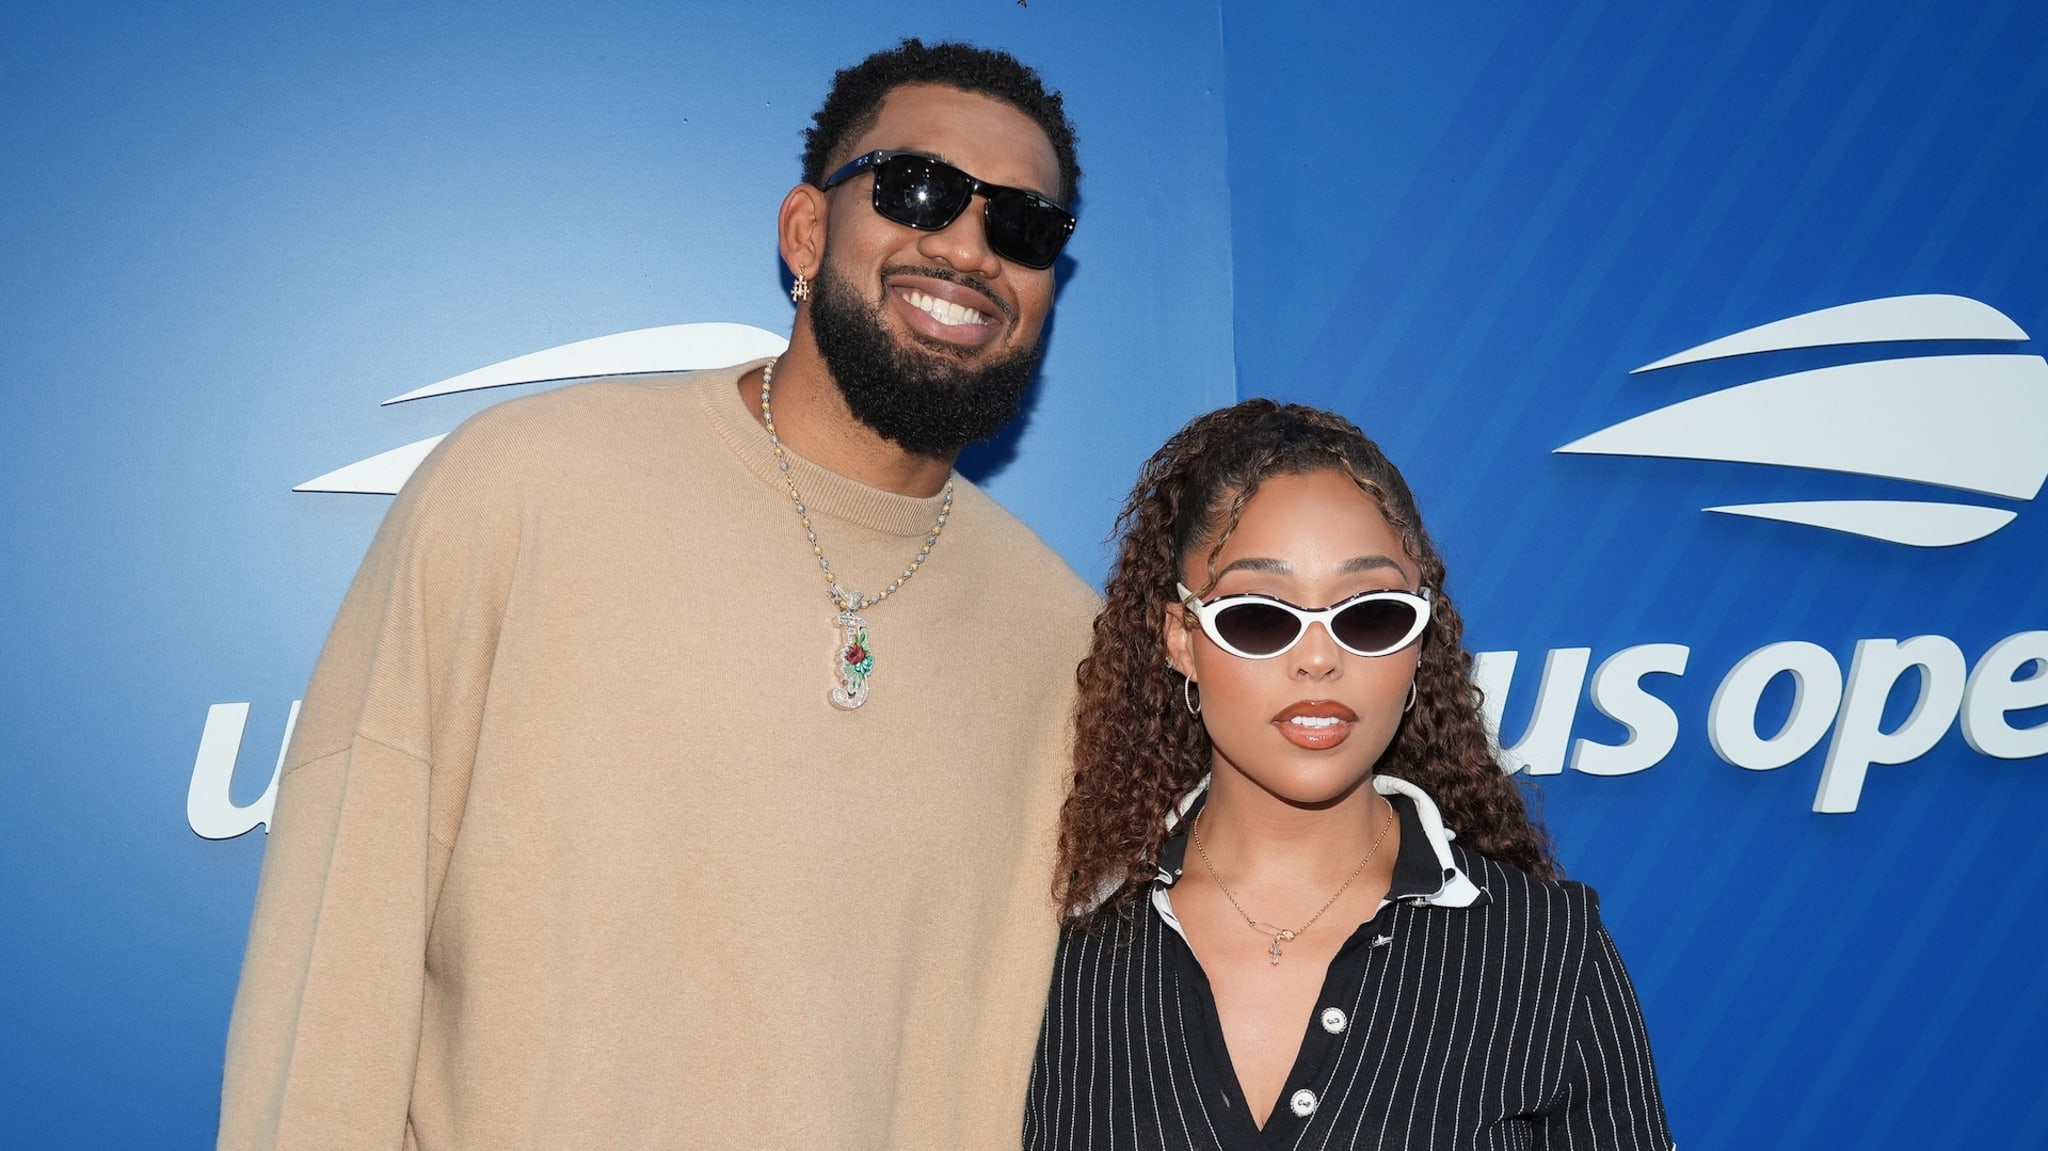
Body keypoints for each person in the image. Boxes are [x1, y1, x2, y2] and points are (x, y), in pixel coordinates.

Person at [219, 40, 1100, 1150]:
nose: (968, 244)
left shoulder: (1065, 640)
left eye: (1023, 226)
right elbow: (334, 963)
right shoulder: (522, 488)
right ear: (806, 230)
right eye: (914, 189)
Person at [1026, 401, 1673, 1149]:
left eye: (1369, 615)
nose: (1318, 658)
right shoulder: (1058, 950)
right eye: (1260, 615)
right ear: (1181, 640)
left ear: (1418, 640)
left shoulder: (1548, 953)